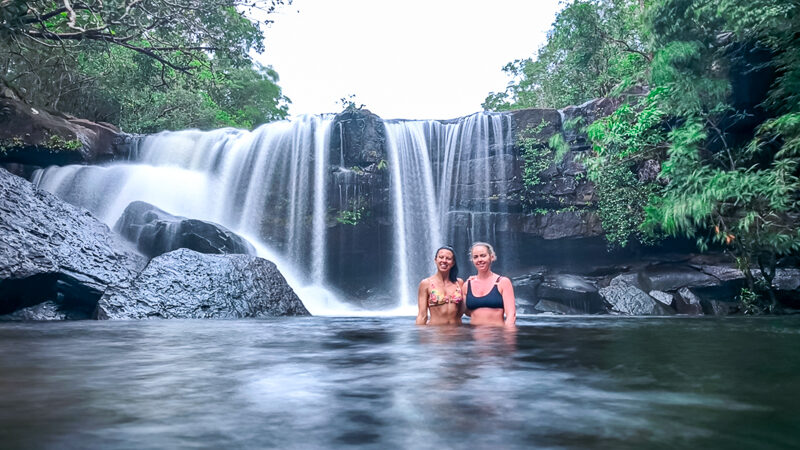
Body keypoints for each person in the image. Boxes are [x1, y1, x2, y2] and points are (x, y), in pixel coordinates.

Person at [464, 242, 516, 326]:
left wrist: (508, 336)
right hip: (473, 336)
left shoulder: (502, 282)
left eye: (483, 255)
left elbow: (511, 315)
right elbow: (463, 311)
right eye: (475, 257)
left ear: (491, 257)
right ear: (472, 260)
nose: (479, 259)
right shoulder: (467, 285)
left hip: (496, 335)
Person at [416, 246, 465, 325]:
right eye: (441, 257)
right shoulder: (426, 283)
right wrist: (421, 335)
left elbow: (464, 310)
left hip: (456, 333)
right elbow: (422, 315)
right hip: (436, 333)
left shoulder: (459, 283)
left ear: (453, 262)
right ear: (435, 260)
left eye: (448, 258)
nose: (444, 261)